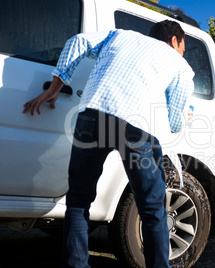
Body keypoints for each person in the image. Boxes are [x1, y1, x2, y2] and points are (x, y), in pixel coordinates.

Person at [23, 20, 194, 268]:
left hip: (93, 113)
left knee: (79, 199)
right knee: (152, 208)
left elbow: (78, 42)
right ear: (175, 41)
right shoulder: (179, 63)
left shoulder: (120, 36)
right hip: (137, 125)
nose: (182, 52)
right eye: (183, 47)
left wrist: (55, 86)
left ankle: (76, 265)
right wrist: (184, 117)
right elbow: (177, 121)